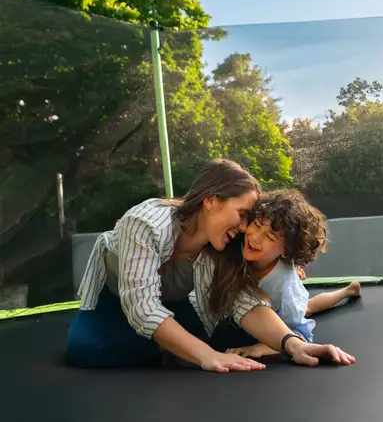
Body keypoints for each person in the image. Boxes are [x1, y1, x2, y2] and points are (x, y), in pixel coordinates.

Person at [66, 159, 354, 372]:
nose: (244, 228)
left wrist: (294, 345)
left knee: (222, 333)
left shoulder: (218, 246)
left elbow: (241, 300)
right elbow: (143, 308)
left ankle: (170, 345)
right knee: (86, 347)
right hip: (116, 300)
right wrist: (204, 354)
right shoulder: (144, 225)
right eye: (242, 214)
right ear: (212, 201)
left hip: (171, 302)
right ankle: (168, 345)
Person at [189, 188, 360, 359]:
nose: (255, 238)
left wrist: (263, 347)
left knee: (306, 308)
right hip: (250, 309)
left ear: (286, 250)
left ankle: (347, 291)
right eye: (256, 225)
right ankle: (348, 289)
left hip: (280, 305)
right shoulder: (237, 239)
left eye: (270, 237)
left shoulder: (283, 284)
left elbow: (302, 335)